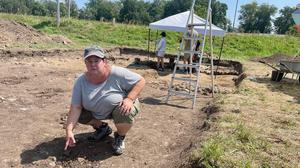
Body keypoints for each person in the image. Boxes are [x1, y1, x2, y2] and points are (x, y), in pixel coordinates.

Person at [64, 46, 146, 155]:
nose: (93, 64)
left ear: (104, 61)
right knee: (80, 114)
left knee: (125, 112)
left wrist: (129, 99)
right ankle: (102, 128)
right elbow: (76, 107)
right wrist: (69, 131)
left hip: (122, 106)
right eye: (89, 61)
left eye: (96, 61)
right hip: (98, 111)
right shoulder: (80, 81)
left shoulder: (117, 72)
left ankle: (120, 136)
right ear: (85, 63)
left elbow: (141, 81)